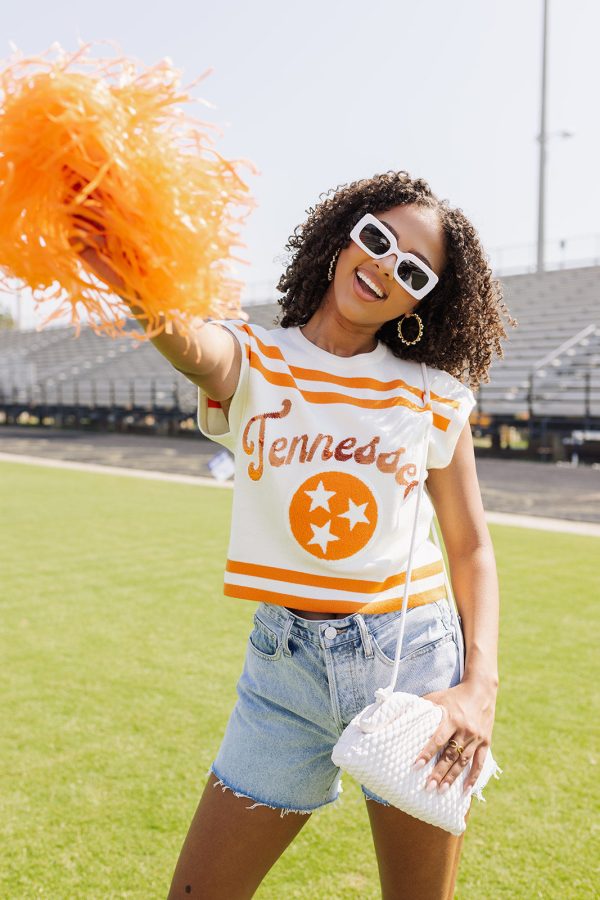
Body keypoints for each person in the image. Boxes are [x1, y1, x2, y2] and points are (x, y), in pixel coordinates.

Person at [77, 170, 510, 899]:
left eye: (412, 270)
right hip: (284, 667)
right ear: (344, 234)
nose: (383, 267)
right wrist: (121, 270)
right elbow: (191, 347)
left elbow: (471, 547)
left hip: (413, 665)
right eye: (377, 239)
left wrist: (480, 688)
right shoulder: (255, 356)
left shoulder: (432, 392)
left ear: (421, 301)